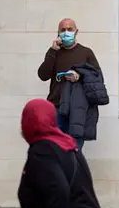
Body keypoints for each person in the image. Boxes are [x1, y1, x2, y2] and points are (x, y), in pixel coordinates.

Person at [38, 18, 102, 150]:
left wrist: (79, 76)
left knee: (74, 151)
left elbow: (98, 78)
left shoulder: (86, 53)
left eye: (70, 29)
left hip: (77, 109)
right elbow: (43, 75)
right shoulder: (54, 53)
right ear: (58, 33)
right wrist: (52, 51)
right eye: (63, 30)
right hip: (55, 107)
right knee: (54, 151)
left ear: (76, 32)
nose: (66, 33)